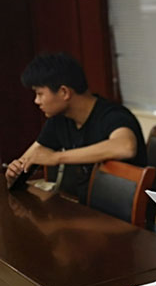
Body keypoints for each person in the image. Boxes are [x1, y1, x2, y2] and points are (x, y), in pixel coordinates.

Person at [4, 52, 147, 202]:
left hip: (117, 212)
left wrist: (56, 157)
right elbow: (32, 156)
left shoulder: (113, 115)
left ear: (64, 92)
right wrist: (14, 174)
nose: (36, 101)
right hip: (85, 208)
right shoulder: (59, 120)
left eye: (40, 94)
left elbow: (125, 147)